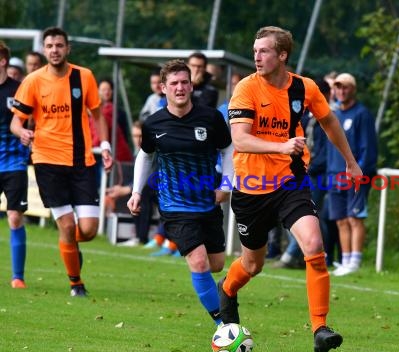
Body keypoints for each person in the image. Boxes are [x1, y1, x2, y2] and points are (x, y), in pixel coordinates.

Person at [222, 26, 362, 352]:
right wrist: (282, 145)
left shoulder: (305, 87)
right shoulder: (245, 89)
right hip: (251, 189)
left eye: (264, 51)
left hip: (290, 183)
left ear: (282, 55)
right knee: (253, 265)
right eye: (255, 50)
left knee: (314, 244)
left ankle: (320, 329)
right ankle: (227, 290)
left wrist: (351, 162)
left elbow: (330, 122)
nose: (257, 56)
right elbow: (240, 139)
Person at [127, 59, 234, 326]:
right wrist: (136, 192)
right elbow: (145, 156)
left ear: (191, 85)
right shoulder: (154, 123)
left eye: (184, 82)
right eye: (173, 83)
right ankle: (223, 325)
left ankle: (216, 294)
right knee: (198, 263)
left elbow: (228, 150)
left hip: (207, 204)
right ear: (163, 88)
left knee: (216, 264)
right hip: (175, 206)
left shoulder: (210, 118)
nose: (180, 88)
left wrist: (226, 185)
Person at [10, 26, 113, 297]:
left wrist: (105, 145)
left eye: (59, 45)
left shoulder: (84, 76)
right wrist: (23, 132)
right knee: (67, 224)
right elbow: (15, 122)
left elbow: (98, 115)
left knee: (88, 231)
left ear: (68, 48)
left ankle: (68, 244)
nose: (54, 50)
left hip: (82, 161)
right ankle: (76, 283)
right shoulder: (32, 81)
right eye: (49, 46)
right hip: (47, 160)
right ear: (44, 50)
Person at [273, 79, 340, 270]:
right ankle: (314, 255)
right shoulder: (304, 115)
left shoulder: (330, 116)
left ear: (326, 96)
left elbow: (328, 150)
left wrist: (308, 166)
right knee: (306, 216)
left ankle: (290, 257)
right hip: (300, 172)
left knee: (307, 213)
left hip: (318, 174)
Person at [326, 73, 378, 277]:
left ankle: (355, 260)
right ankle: (345, 260)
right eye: (338, 87)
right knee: (340, 219)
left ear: (353, 89)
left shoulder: (362, 114)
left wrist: (360, 171)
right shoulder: (335, 113)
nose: (341, 91)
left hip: (355, 176)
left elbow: (369, 148)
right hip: (334, 174)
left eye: (345, 87)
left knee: (355, 217)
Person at [0, 41, 29, 289]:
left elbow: (34, 119)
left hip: (14, 163)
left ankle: (17, 277)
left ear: (2, 61)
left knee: (14, 217)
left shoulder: (19, 90)